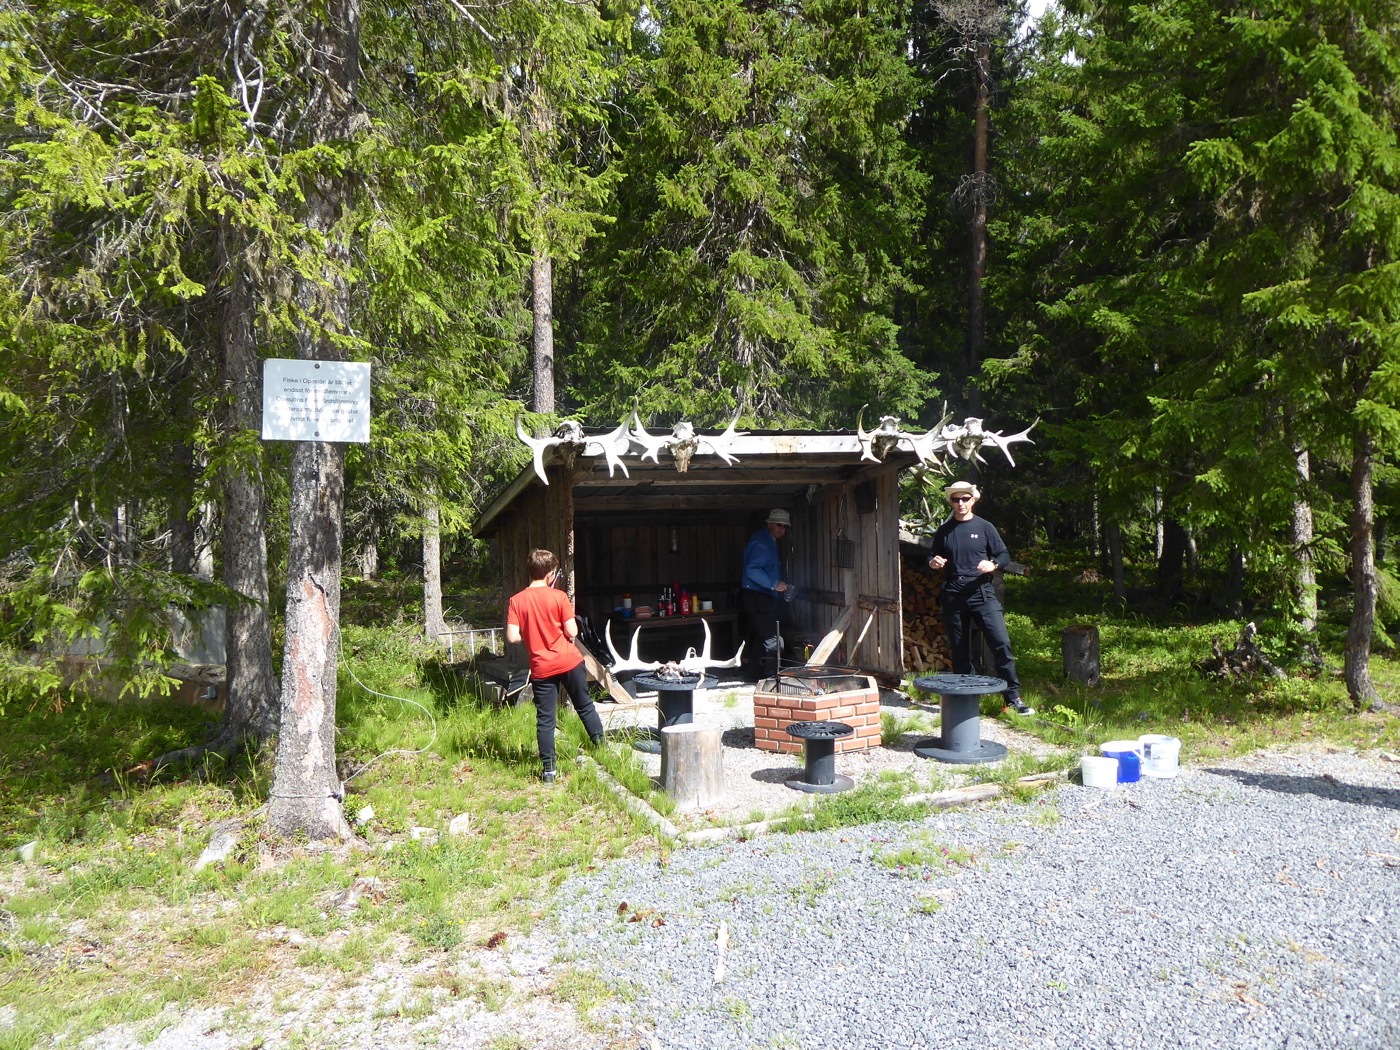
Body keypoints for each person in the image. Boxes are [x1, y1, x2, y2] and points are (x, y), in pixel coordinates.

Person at [927, 481, 1034, 715]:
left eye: (965, 499)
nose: (960, 503)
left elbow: (1004, 554)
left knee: (1000, 644)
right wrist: (933, 561)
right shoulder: (945, 530)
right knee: (960, 650)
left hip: (982, 593)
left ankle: (1012, 698)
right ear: (951, 502)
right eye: (956, 500)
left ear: (973, 500)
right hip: (953, 594)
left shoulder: (985, 527)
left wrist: (993, 564)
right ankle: (967, 699)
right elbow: (933, 555)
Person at [506, 548, 607, 782]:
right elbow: (572, 631)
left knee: (546, 719)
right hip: (569, 661)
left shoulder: (516, 601)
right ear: (550, 573)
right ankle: (602, 749)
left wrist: (531, 634)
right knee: (585, 706)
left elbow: (512, 636)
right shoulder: (559, 597)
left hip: (541, 668)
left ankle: (549, 771)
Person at [739, 508, 792, 679]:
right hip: (757, 598)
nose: (781, 529)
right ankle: (772, 678)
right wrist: (773, 584)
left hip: (758, 597)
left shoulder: (767, 540)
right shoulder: (762, 543)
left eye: (785, 526)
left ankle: (752, 675)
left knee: (759, 638)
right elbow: (751, 569)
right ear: (769, 524)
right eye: (778, 525)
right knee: (774, 640)